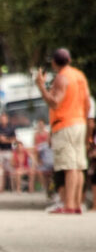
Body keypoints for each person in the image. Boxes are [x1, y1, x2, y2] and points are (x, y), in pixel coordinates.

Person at [36, 48, 91, 213]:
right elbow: (87, 101)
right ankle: (75, 204)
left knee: (69, 166)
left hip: (65, 124)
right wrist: (84, 119)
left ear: (54, 62)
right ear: (69, 60)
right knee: (79, 165)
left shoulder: (62, 77)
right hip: (79, 122)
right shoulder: (79, 76)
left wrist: (41, 86)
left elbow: (55, 102)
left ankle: (69, 205)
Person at [0, 113, 15, 191]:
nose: (3, 121)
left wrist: (5, 140)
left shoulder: (11, 128)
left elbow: (14, 140)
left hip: (8, 150)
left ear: (7, 120)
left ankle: (12, 188)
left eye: (4, 119)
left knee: (10, 169)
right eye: (1, 119)